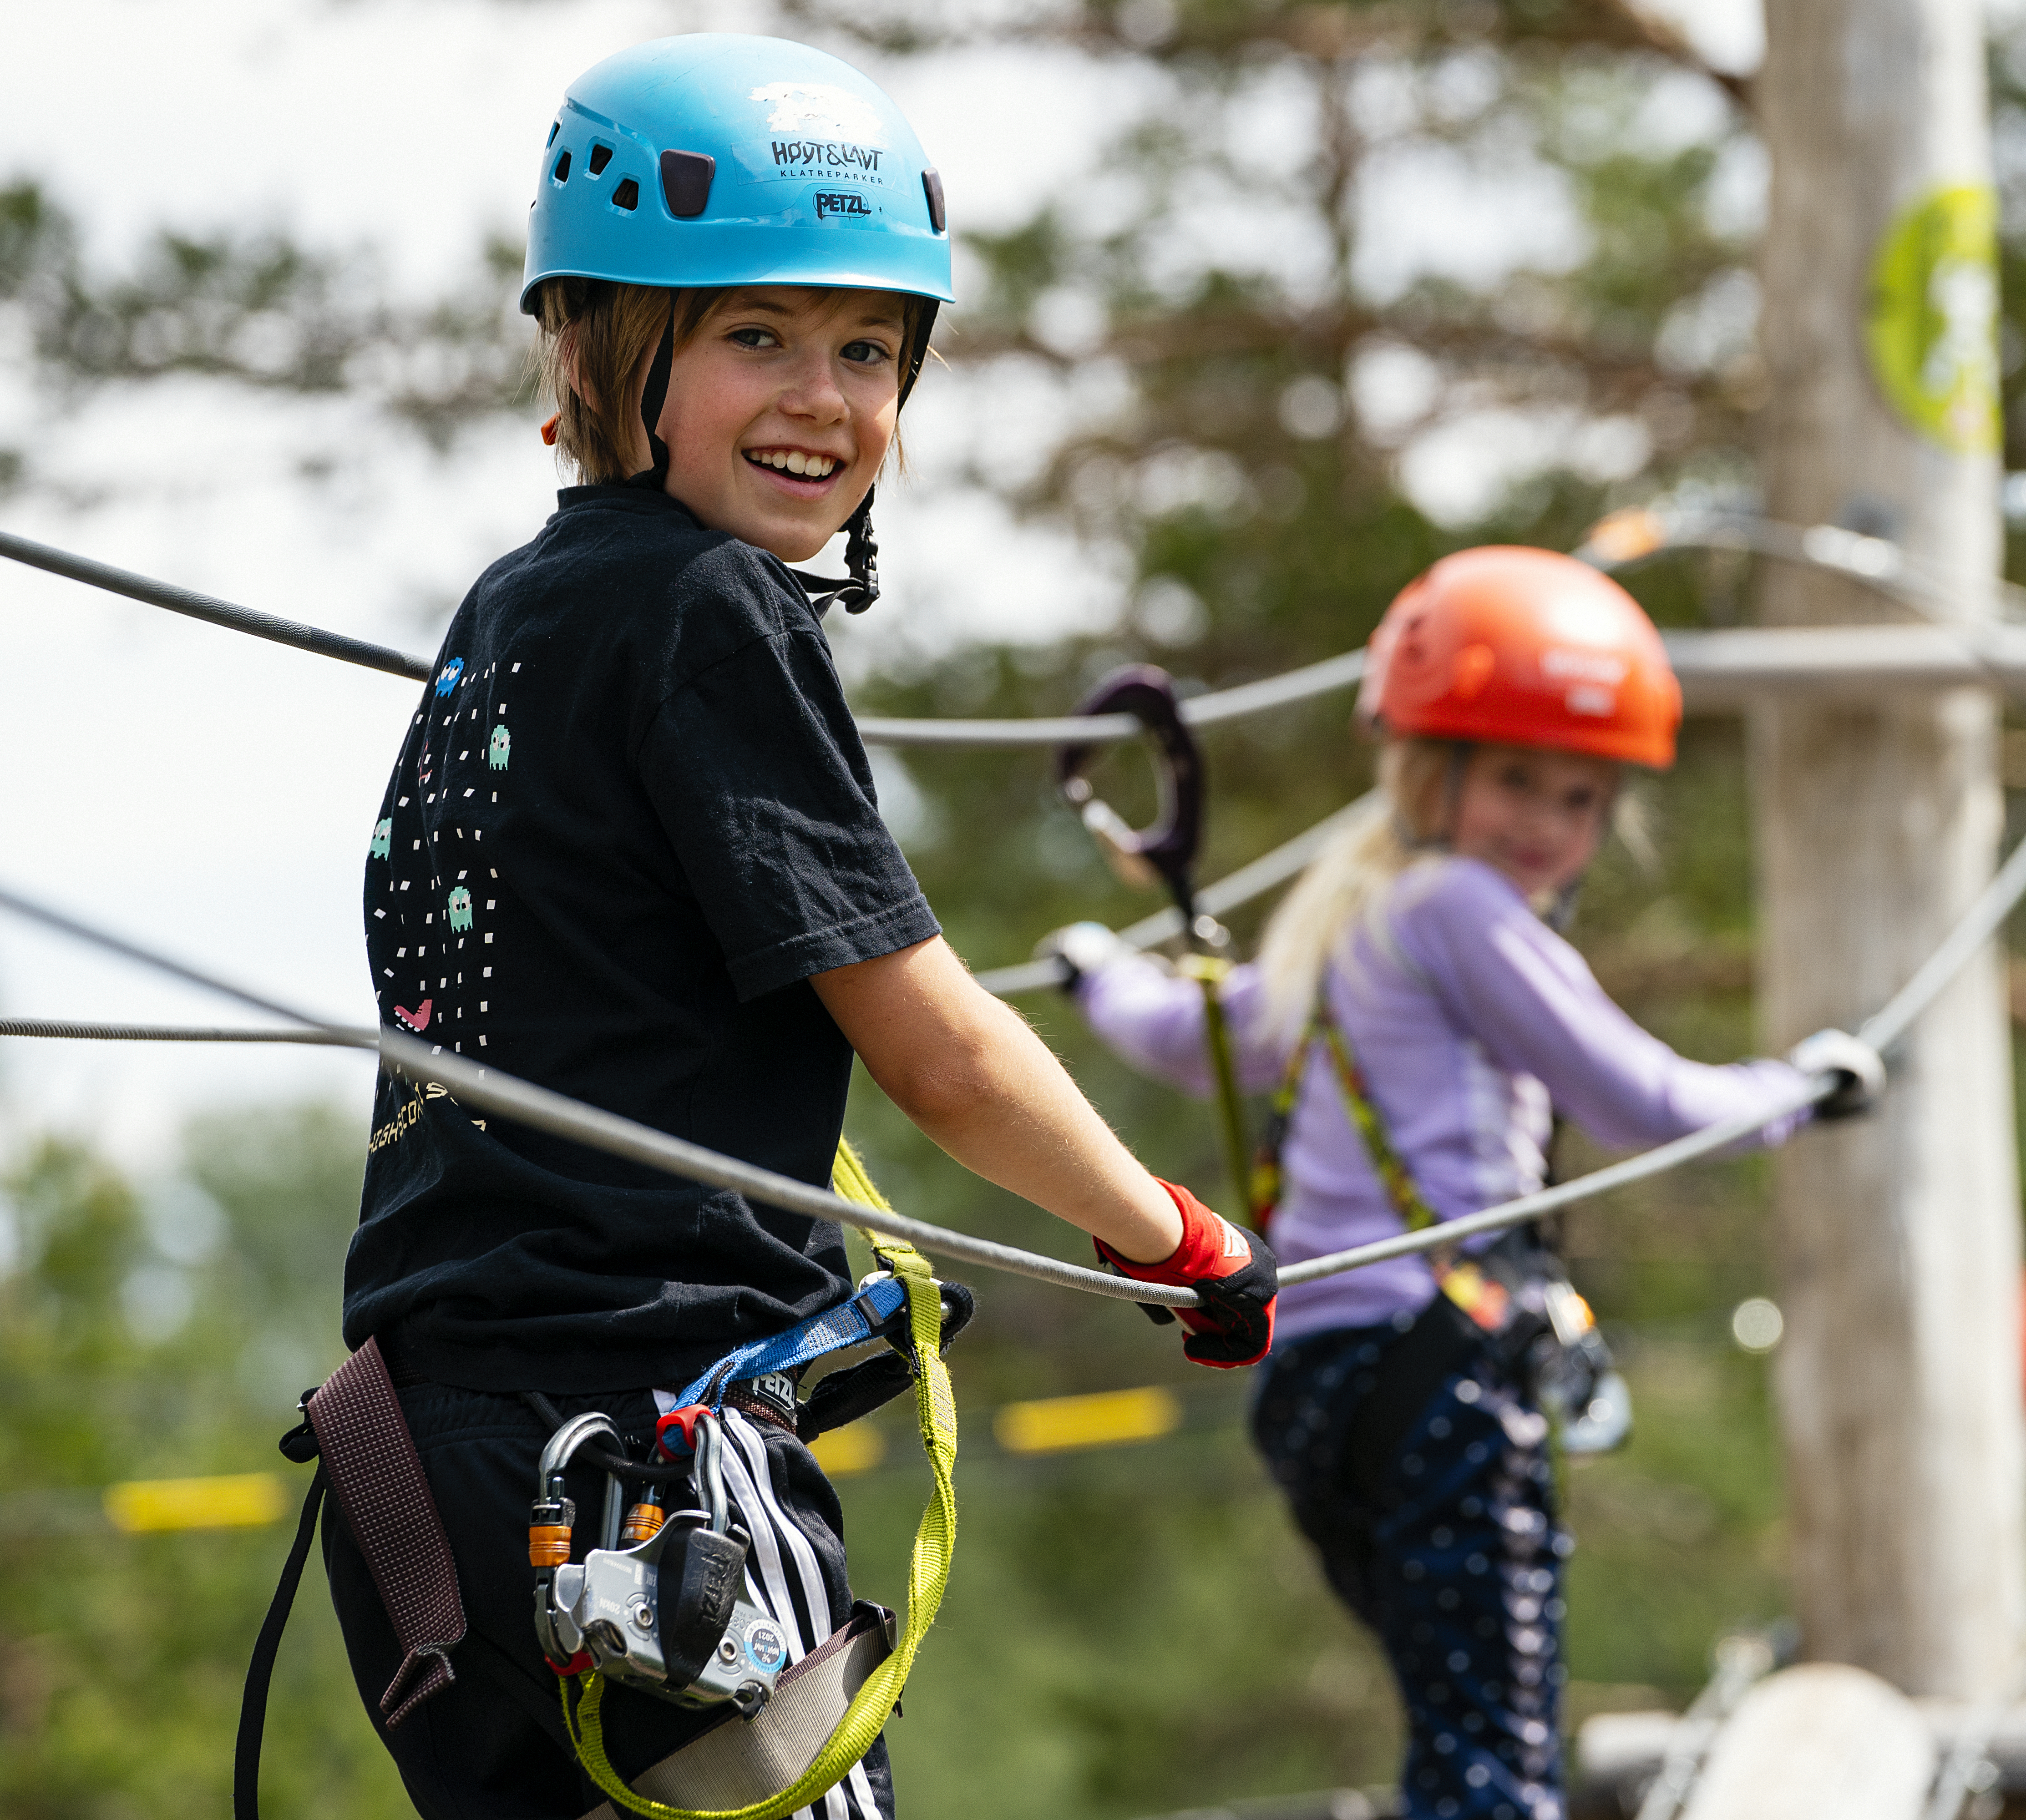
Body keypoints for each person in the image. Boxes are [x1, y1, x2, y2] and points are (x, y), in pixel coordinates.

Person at [330, 36, 1274, 1820]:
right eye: (756, 334)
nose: (824, 398)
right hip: (639, 1467)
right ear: (613, 349)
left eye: (869, 349)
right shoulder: (710, 610)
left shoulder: (512, 617)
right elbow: (936, 1045)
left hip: (424, 1472)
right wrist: (1180, 1239)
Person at [1044, 547, 1882, 1820]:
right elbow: (1645, 1104)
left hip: (1312, 1389)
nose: (1546, 826)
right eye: (1515, 782)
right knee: (1495, 1770)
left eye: (1579, 798)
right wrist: (1810, 1087)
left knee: (1457, 1734)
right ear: (1429, 771)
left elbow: (1190, 1033)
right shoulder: (1461, 910)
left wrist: (1101, 970)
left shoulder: (1345, 912)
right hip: (1436, 1369)